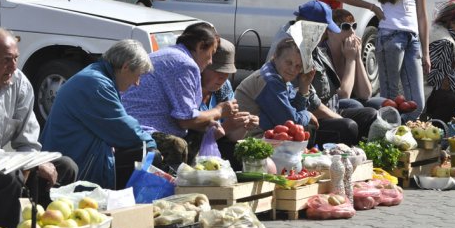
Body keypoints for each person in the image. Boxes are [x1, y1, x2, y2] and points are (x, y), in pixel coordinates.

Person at [335, 0, 429, 121]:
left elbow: (422, 14)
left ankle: (398, 134)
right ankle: (388, 138)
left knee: (417, 104)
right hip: (389, 38)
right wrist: (372, 7)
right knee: (390, 101)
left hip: (412, 39)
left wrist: (426, 52)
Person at [40, 39, 161, 190]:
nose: (137, 83)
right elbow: (124, 129)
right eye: (137, 76)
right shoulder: (96, 84)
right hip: (74, 164)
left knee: (143, 150)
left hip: (81, 154)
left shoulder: (98, 75)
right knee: (149, 153)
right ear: (125, 67)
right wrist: (153, 142)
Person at [0, 28, 77, 228]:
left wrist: (34, 163)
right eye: (6, 60)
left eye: (15, 59)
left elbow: (28, 141)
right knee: (9, 177)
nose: (13, 67)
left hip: (4, 161)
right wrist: (27, 165)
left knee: (65, 166)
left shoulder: (18, 82)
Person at [122, 22, 238, 166]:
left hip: (134, 125)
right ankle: (174, 188)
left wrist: (209, 122)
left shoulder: (174, 55)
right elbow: (186, 120)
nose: (210, 61)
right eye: (211, 53)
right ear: (201, 46)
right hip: (141, 130)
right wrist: (218, 111)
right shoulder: (184, 64)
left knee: (199, 135)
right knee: (177, 145)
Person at [236, 38, 363, 147]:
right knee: (347, 127)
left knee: (364, 116)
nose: (292, 69)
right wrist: (307, 114)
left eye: (298, 66)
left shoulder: (279, 75)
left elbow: (294, 110)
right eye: (289, 62)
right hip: (257, 138)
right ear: (275, 57)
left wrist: (304, 87)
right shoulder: (270, 81)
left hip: (276, 131)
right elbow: (291, 121)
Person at [199, 38, 259, 170]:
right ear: (204, 66)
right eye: (218, 71)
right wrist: (226, 127)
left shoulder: (223, 87)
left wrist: (244, 125)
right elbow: (194, 137)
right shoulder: (191, 88)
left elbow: (232, 137)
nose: (222, 78)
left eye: (227, 73)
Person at [326, 8, 385, 110]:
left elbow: (365, 94)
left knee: (383, 103)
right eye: (345, 27)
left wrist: (357, 57)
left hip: (347, 101)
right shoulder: (324, 54)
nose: (352, 31)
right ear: (330, 31)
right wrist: (350, 59)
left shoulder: (349, 51)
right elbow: (344, 96)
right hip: (330, 105)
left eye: (354, 26)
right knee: (354, 105)